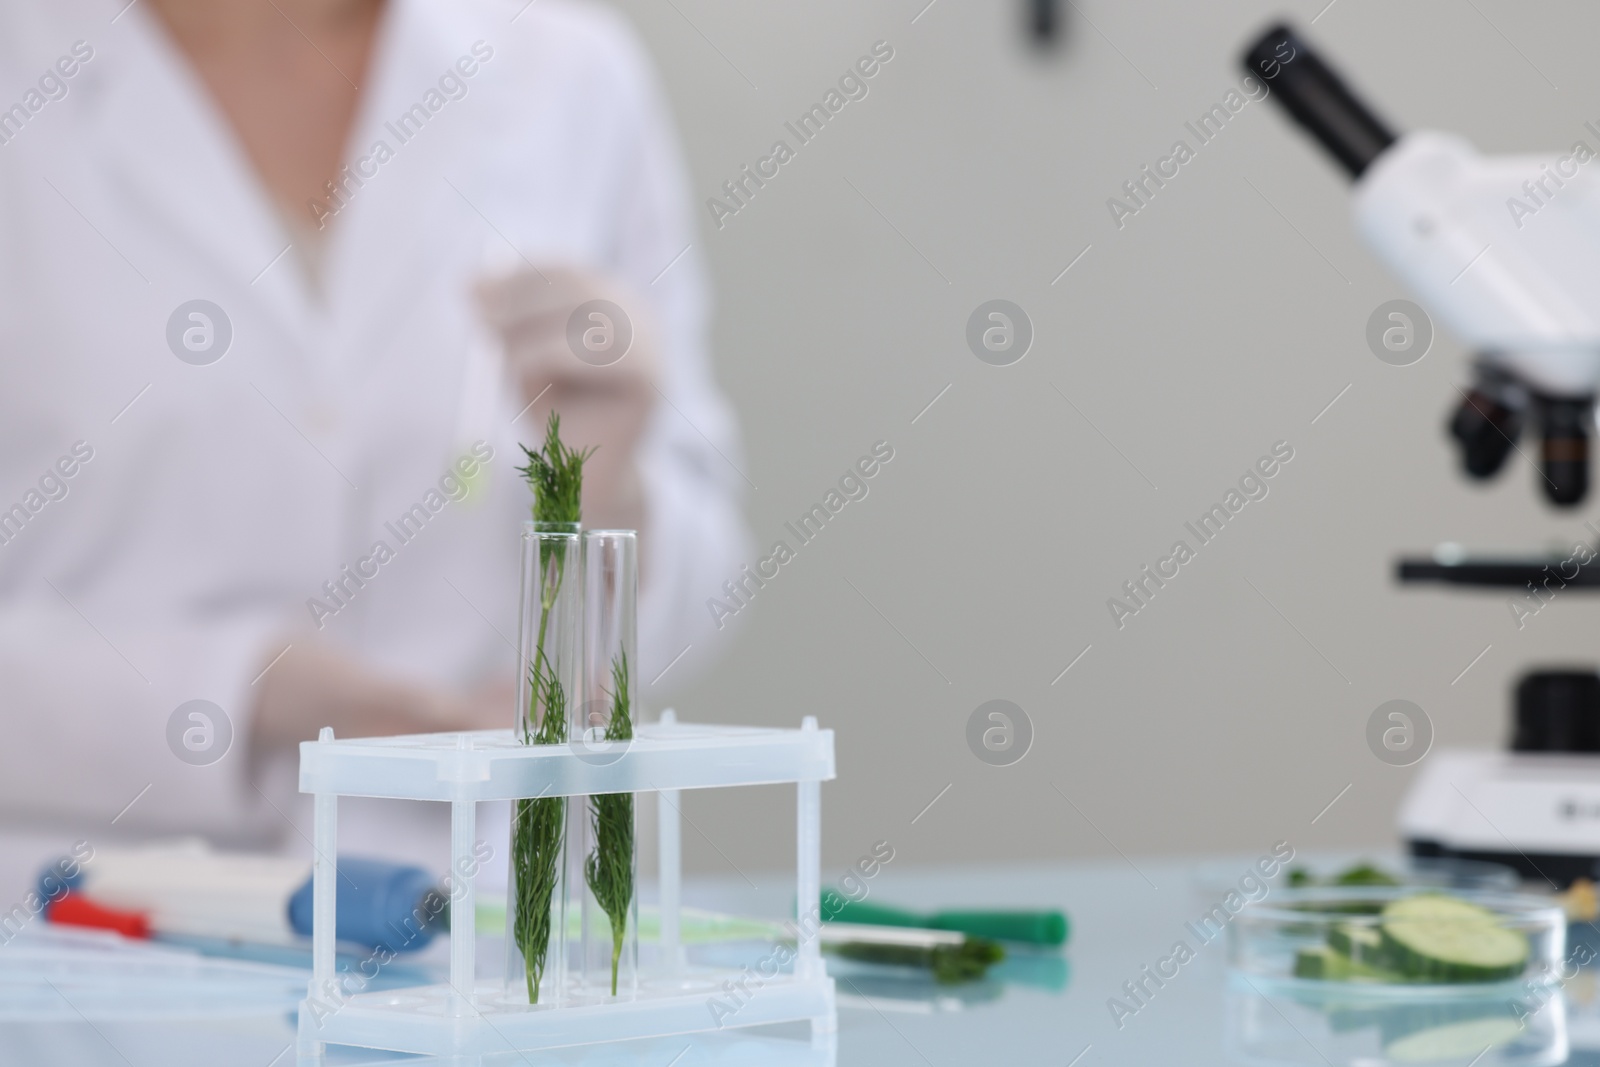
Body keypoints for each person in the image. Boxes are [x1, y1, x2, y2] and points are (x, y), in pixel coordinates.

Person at [0, 0, 750, 864]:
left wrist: (611, 489)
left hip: (482, 923)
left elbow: (700, 601)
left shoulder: (571, 73)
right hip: (82, 925)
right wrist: (242, 690)